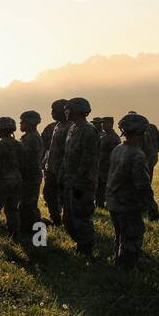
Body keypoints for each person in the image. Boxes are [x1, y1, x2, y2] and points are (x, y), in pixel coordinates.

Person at [106, 113, 159, 269]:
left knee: (120, 236)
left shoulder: (118, 149)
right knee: (132, 236)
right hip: (128, 204)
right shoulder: (137, 155)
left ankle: (118, 261)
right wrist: (152, 206)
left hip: (114, 201)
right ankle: (127, 269)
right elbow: (142, 185)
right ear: (142, 132)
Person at [61, 97, 99, 257]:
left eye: (68, 109)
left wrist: (80, 183)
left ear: (76, 111)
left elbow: (88, 159)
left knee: (81, 217)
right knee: (68, 218)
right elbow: (67, 155)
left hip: (83, 183)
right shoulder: (72, 129)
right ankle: (80, 244)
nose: (65, 112)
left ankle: (86, 249)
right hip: (70, 181)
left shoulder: (88, 130)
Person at [41, 99, 70, 225]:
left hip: (64, 170)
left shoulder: (71, 127)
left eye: (55, 110)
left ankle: (68, 220)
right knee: (48, 194)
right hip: (51, 168)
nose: (52, 113)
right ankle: (56, 219)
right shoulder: (56, 126)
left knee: (65, 197)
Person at [18, 110, 45, 241]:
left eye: (22, 122)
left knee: (30, 205)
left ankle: (40, 236)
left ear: (30, 123)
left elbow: (28, 159)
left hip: (30, 175)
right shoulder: (29, 136)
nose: (20, 124)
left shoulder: (32, 138)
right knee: (25, 204)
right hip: (28, 175)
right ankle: (27, 229)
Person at [95, 116, 119, 209]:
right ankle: (99, 204)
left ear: (110, 124)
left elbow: (115, 154)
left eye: (104, 123)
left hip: (108, 167)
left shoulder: (114, 137)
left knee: (107, 186)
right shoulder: (103, 135)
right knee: (100, 187)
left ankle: (109, 205)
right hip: (101, 166)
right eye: (102, 123)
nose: (102, 125)